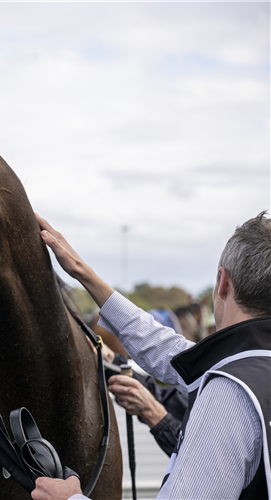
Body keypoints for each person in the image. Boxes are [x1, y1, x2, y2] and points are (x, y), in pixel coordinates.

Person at [31, 211, 271, 500]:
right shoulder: (249, 365)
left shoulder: (228, 391)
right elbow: (166, 348)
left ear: (223, 283)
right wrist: (85, 274)